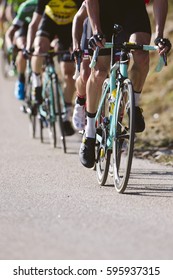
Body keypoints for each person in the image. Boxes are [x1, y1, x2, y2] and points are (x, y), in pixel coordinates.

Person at [79, 0, 171, 168]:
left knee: (141, 56)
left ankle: (133, 104)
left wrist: (159, 35)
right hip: (102, 11)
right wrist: (97, 30)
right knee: (99, 72)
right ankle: (90, 132)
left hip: (132, 9)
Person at [25, 0, 83, 136]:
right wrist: (28, 46)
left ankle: (66, 115)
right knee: (39, 48)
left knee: (69, 75)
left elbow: (84, 19)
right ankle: (36, 83)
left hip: (69, 28)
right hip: (49, 23)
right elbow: (34, 24)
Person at [5, 0, 37, 100]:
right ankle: (21, 80)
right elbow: (10, 32)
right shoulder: (27, 6)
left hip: (40, 29)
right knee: (23, 49)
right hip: (24, 28)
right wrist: (10, 46)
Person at [72, 1, 91, 131]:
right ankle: (80, 101)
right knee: (85, 75)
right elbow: (78, 18)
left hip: (116, 31)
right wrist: (76, 45)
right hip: (91, 31)